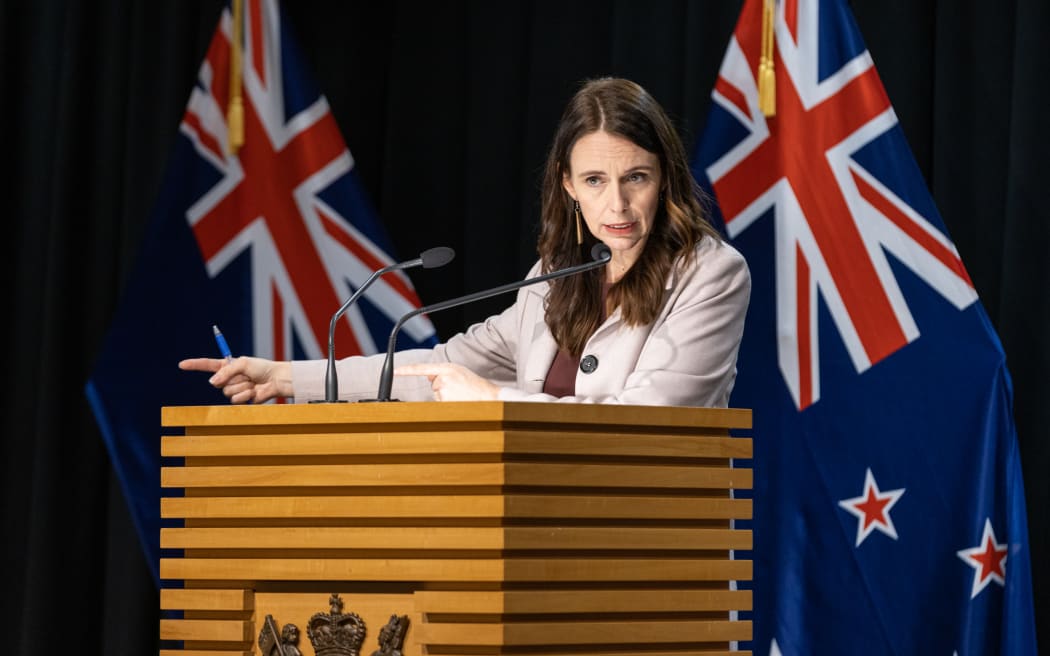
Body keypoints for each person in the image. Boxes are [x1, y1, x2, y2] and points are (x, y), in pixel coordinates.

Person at [180, 77, 750, 407]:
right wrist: (284, 376)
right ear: (568, 184)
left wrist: (495, 401)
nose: (617, 205)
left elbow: (646, 418)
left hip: (663, 555)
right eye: (596, 181)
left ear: (665, 178)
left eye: (637, 178)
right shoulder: (555, 274)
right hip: (547, 539)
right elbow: (443, 366)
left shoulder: (710, 273)